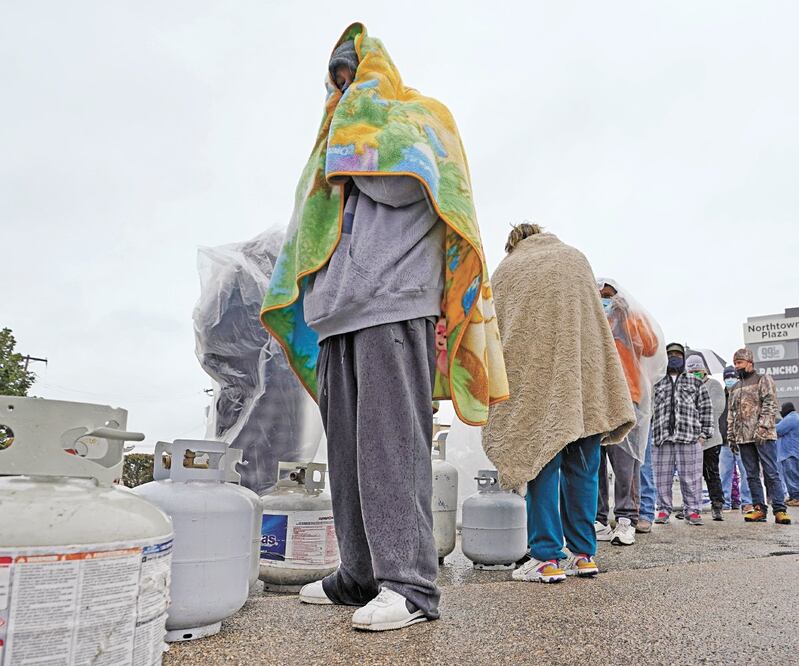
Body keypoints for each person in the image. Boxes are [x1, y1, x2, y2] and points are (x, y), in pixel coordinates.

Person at [260, 24, 509, 631]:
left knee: (391, 448)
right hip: (337, 313)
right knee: (347, 455)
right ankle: (360, 574)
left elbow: (409, 185)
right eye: (337, 81)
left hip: (395, 303)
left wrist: (352, 139)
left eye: (353, 75)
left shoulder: (419, 117)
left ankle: (411, 584)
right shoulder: (336, 138)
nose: (344, 89)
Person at [483, 224, 635, 583]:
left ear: (513, 243)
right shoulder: (576, 259)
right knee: (583, 469)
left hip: (535, 383)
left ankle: (546, 557)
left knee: (538, 462)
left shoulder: (508, 269)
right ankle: (584, 555)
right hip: (583, 382)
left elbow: (496, 327)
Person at [594, 279, 663, 545]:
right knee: (594, 464)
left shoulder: (630, 319)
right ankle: (599, 519)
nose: (605, 300)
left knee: (625, 464)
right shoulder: (591, 320)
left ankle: (626, 519)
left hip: (626, 398)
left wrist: (625, 317)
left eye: (609, 296)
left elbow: (651, 345)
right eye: (600, 296)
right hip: (596, 400)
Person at [652, 342, 714, 526]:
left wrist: (704, 435)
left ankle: (693, 511)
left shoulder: (695, 382)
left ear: (683, 358)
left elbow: (706, 408)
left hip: (689, 438)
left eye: (678, 355)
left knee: (691, 478)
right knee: (661, 478)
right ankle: (663, 510)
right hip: (662, 439)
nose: (674, 358)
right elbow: (649, 409)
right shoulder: (656, 381)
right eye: (670, 355)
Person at [727, 348, 790, 524]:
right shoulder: (735, 387)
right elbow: (731, 413)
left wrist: (763, 427)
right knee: (751, 475)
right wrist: (731, 435)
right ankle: (759, 509)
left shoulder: (763, 379)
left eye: (740, 362)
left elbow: (770, 403)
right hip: (743, 438)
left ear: (750, 362)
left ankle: (780, 509)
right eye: (735, 363)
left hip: (763, 436)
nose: (737, 366)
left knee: (771, 472)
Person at [685, 355, 726, 521]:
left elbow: (716, 409)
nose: (695, 374)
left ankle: (717, 506)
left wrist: (701, 430)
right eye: (691, 372)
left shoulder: (713, 385)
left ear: (704, 370)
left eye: (697, 371)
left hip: (710, 440)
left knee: (711, 474)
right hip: (690, 440)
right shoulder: (686, 387)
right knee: (690, 477)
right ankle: (692, 508)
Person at [718, 365, 752, 512]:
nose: (730, 379)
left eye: (732, 377)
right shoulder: (720, 396)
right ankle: (725, 502)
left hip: (742, 441)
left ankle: (747, 502)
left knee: (746, 472)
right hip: (725, 442)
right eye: (727, 377)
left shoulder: (744, 394)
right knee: (723, 474)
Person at [777, 402, 799, 506]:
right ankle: (793, 496)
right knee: (793, 475)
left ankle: (796, 498)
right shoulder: (796, 417)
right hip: (794, 451)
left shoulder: (790, 418)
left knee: (792, 476)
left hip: (790, 453)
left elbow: (777, 430)